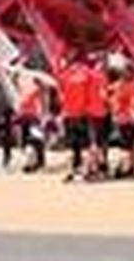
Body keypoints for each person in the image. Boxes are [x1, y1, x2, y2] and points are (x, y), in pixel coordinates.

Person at [58, 51, 92, 182]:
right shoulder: (87, 74)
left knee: (71, 144)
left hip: (68, 114)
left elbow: (61, 96)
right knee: (85, 144)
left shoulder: (65, 75)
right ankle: (85, 171)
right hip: (82, 113)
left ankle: (70, 171)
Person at [109, 63, 134, 178]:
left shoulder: (122, 86)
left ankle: (126, 168)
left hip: (126, 119)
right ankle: (129, 168)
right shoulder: (130, 85)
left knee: (126, 146)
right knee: (130, 145)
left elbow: (118, 102)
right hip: (129, 118)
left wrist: (116, 113)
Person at [85, 54, 111, 179]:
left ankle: (92, 167)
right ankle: (100, 166)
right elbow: (103, 95)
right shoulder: (101, 77)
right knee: (100, 141)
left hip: (90, 111)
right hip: (102, 112)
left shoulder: (88, 76)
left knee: (93, 141)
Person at [16, 76, 47, 173]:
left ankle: (36, 163)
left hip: (30, 117)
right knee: (32, 141)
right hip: (29, 117)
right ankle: (34, 163)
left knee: (33, 141)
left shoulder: (31, 87)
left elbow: (42, 101)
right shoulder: (30, 87)